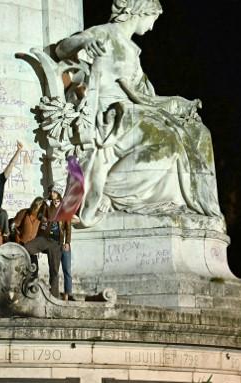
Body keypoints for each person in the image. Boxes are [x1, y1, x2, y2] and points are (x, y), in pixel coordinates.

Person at [53, 0, 221, 224]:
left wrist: (179, 104)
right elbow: (62, 48)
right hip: (111, 112)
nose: (151, 27)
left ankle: (192, 202)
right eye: (153, 19)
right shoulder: (105, 33)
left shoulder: (132, 49)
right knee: (169, 139)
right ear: (140, 11)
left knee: (197, 132)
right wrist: (86, 41)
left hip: (133, 108)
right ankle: (111, 194)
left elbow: (144, 95)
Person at [14, 197, 62, 297]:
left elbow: (44, 231)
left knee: (38, 271)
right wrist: (18, 239)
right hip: (23, 245)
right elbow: (14, 225)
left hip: (41, 244)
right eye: (37, 206)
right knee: (23, 268)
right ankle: (21, 290)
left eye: (41, 207)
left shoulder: (42, 217)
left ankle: (53, 295)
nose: (38, 208)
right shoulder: (25, 213)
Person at [45, 186, 74, 300]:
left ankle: (68, 293)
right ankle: (53, 293)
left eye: (54, 191)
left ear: (58, 193)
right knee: (54, 269)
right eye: (51, 191)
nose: (51, 193)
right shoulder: (48, 205)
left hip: (63, 243)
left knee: (67, 269)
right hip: (52, 243)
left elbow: (68, 227)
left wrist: (67, 242)